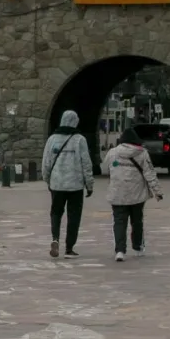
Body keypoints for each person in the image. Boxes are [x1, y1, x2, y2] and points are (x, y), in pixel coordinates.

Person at [102, 128, 163, 262]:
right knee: (137, 221)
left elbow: (106, 169)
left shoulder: (112, 153)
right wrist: (157, 191)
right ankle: (138, 248)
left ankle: (119, 251)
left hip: (117, 193)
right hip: (137, 194)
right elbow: (150, 173)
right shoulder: (142, 153)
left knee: (119, 222)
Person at [42, 110, 93, 259]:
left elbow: (46, 162)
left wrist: (47, 180)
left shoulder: (52, 139)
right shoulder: (79, 140)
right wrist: (89, 184)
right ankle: (69, 248)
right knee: (74, 216)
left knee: (56, 213)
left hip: (57, 184)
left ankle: (55, 238)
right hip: (75, 185)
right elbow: (86, 164)